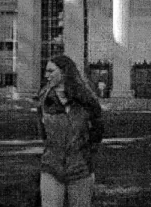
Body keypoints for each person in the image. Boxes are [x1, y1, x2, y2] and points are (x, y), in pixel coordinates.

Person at [38, 55, 104, 207]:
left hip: (81, 169)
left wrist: (84, 152)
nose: (46, 75)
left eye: (50, 71)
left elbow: (97, 133)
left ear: (64, 72)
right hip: (51, 167)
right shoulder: (44, 100)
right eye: (45, 71)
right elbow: (43, 133)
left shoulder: (87, 101)